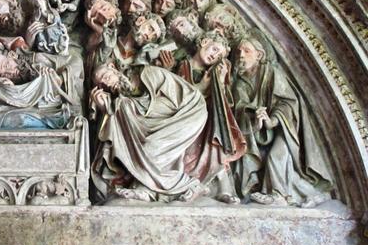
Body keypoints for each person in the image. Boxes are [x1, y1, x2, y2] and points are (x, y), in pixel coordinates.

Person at [232, 31, 333, 207]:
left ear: (259, 55)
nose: (241, 55)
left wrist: (271, 121)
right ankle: (315, 195)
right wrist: (255, 120)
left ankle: (277, 195)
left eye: (247, 51)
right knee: (276, 168)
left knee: (276, 156)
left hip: (284, 129)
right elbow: (240, 108)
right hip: (256, 135)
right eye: (239, 52)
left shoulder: (272, 73)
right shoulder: (240, 83)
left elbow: (287, 103)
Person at [90, 63, 208, 202]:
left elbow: (148, 108)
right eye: (102, 84)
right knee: (145, 149)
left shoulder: (148, 73)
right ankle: (146, 189)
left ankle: (190, 185)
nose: (107, 84)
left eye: (106, 77)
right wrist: (106, 108)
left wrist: (112, 106)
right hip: (170, 120)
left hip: (190, 112)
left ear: (113, 67)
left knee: (150, 149)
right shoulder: (124, 95)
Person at [176, 30, 246, 204]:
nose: (214, 56)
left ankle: (223, 187)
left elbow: (224, 105)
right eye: (214, 49)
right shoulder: (184, 66)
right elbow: (179, 98)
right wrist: (202, 86)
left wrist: (220, 81)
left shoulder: (211, 74)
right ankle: (189, 184)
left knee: (216, 137)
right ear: (204, 42)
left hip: (206, 125)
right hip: (183, 122)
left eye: (219, 56)